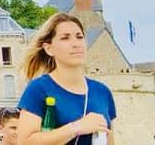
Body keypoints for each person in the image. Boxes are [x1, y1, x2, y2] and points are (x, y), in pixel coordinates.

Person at [16, 13, 116, 145]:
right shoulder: (39, 89)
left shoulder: (102, 92)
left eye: (79, 37)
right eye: (65, 38)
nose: (75, 44)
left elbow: (110, 140)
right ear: (49, 48)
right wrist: (77, 127)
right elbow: (25, 141)